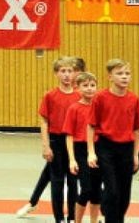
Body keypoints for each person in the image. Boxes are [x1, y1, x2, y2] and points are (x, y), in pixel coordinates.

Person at [86, 58, 139, 223]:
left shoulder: (134, 99)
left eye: (127, 73)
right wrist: (91, 152)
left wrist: (135, 155)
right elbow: (91, 126)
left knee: (124, 195)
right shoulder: (100, 97)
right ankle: (110, 215)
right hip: (105, 147)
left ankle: (115, 217)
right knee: (112, 191)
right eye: (120, 74)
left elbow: (137, 129)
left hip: (126, 148)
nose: (124, 77)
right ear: (110, 77)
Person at [38, 56, 80, 223]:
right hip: (56, 140)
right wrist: (45, 146)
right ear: (56, 73)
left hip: (74, 143)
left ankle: (71, 216)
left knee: (73, 181)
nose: (67, 75)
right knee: (57, 181)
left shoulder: (79, 96)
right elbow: (44, 121)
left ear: (75, 74)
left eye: (70, 71)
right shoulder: (50, 96)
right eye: (63, 71)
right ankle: (59, 218)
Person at [65, 71, 100, 223]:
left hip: (98, 149)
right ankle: (76, 221)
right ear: (77, 88)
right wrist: (72, 159)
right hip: (80, 149)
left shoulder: (100, 107)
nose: (89, 89)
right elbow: (69, 135)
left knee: (97, 191)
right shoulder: (74, 108)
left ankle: (94, 220)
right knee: (86, 189)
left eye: (92, 85)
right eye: (85, 86)